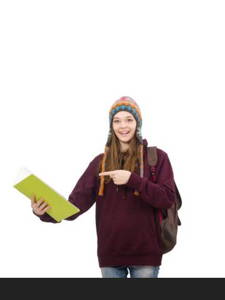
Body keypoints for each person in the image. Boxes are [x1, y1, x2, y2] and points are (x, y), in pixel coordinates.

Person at [32, 96, 178, 278]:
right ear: (111, 126)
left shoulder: (157, 157)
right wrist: (44, 212)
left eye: (129, 120)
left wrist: (133, 180)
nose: (123, 126)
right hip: (110, 256)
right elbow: (75, 205)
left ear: (138, 123)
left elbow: (166, 198)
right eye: (117, 121)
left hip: (146, 254)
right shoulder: (100, 163)